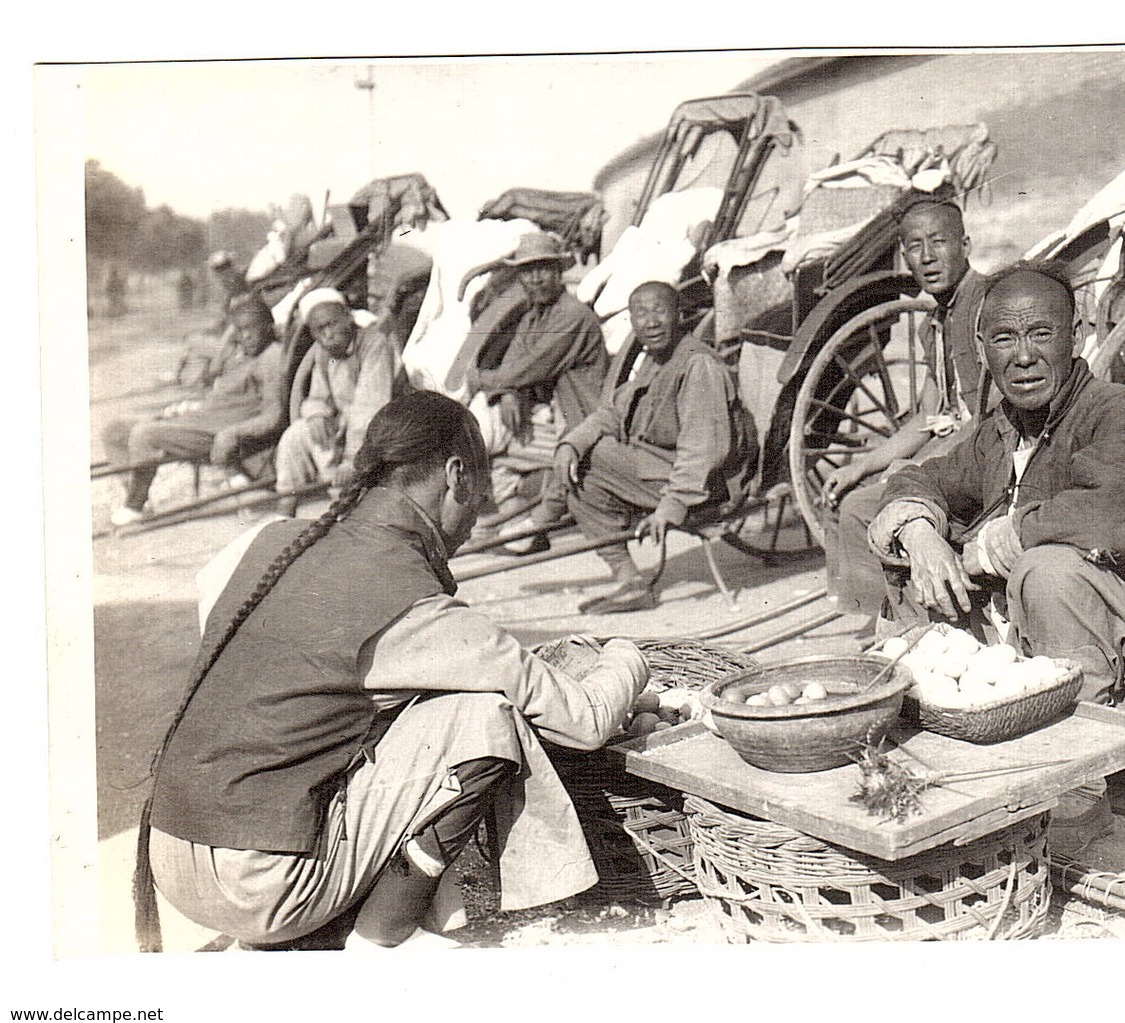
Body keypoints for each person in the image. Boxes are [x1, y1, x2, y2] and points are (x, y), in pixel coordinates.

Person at [134, 391, 652, 952]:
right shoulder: (415, 606)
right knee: (485, 715)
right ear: (456, 475)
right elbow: (588, 720)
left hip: (172, 856)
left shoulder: (261, 543)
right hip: (262, 886)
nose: (477, 515)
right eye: (478, 489)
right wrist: (627, 654)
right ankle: (384, 935)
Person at [866, 262, 1125, 737]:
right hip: (1070, 647)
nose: (1023, 357)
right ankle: (943, 731)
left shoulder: (1121, 414)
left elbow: (1094, 514)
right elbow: (922, 478)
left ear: (1076, 337)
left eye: (1041, 334)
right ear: (981, 349)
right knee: (924, 561)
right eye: (1003, 339)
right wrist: (919, 534)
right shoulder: (1002, 429)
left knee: (1046, 571)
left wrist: (979, 554)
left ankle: (1088, 772)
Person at [823, 194, 992, 620]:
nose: (928, 257)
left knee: (864, 509)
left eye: (939, 242)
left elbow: (994, 418)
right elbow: (928, 417)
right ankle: (876, 617)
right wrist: (860, 466)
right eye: (914, 247)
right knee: (846, 494)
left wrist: (916, 469)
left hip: (990, 458)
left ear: (965, 246)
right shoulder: (935, 323)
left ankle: (901, 623)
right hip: (954, 449)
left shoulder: (985, 307)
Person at [545, 281, 757, 614]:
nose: (651, 322)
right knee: (580, 457)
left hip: (706, 489)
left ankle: (544, 517)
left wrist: (671, 507)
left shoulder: (696, 364)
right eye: (641, 314)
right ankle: (630, 581)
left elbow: (703, 452)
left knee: (594, 459)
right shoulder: (654, 361)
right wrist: (571, 443)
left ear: (680, 315)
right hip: (663, 469)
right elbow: (612, 412)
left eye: (660, 310)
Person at [464, 231, 609, 554]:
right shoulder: (534, 316)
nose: (536, 278)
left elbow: (526, 368)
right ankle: (522, 527)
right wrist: (508, 393)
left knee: (494, 450)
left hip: (586, 420)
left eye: (544, 269)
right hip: (559, 418)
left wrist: (482, 380)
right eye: (527, 272)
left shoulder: (571, 316)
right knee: (496, 455)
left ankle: (530, 528)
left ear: (559, 273)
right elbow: (516, 366)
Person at [103, 295, 286, 526]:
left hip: (220, 432)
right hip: (202, 420)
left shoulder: (271, 358)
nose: (246, 336)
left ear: (268, 327)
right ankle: (138, 492)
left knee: (144, 434)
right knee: (115, 431)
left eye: (252, 329)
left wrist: (233, 434)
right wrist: (232, 336)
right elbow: (217, 372)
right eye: (240, 330)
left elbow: (274, 416)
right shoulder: (243, 352)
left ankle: (135, 505)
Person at [274, 288, 402, 516]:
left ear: (348, 317)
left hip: (384, 428)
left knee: (342, 470)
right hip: (350, 429)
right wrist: (316, 415)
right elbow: (317, 396)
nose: (327, 335)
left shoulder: (373, 344)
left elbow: (369, 408)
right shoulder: (325, 353)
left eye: (331, 324)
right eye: (319, 330)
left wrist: (353, 458)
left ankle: (345, 508)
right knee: (296, 435)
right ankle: (285, 510)